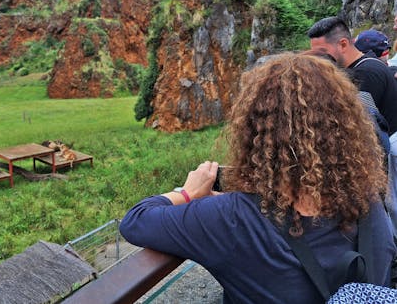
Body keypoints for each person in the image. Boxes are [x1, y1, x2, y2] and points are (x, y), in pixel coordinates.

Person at [120, 54, 395, 304]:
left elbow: (136, 221)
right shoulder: (367, 202)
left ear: (254, 133)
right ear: (347, 128)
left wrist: (189, 193)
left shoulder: (230, 218)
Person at [307, 16, 397, 136]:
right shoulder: (362, 65)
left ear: (343, 44)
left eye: (322, 52)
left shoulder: (367, 72)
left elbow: (356, 122)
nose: (318, 58)